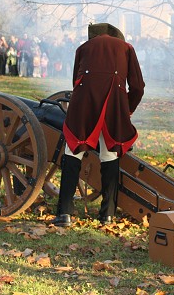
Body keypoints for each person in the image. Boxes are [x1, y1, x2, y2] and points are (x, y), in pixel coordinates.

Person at [52, 23, 145, 227]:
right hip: (114, 105)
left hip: (84, 104)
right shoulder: (127, 48)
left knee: (72, 151)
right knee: (109, 154)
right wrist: (126, 109)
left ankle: (65, 213)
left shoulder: (83, 48)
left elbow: (75, 81)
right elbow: (138, 86)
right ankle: (107, 214)